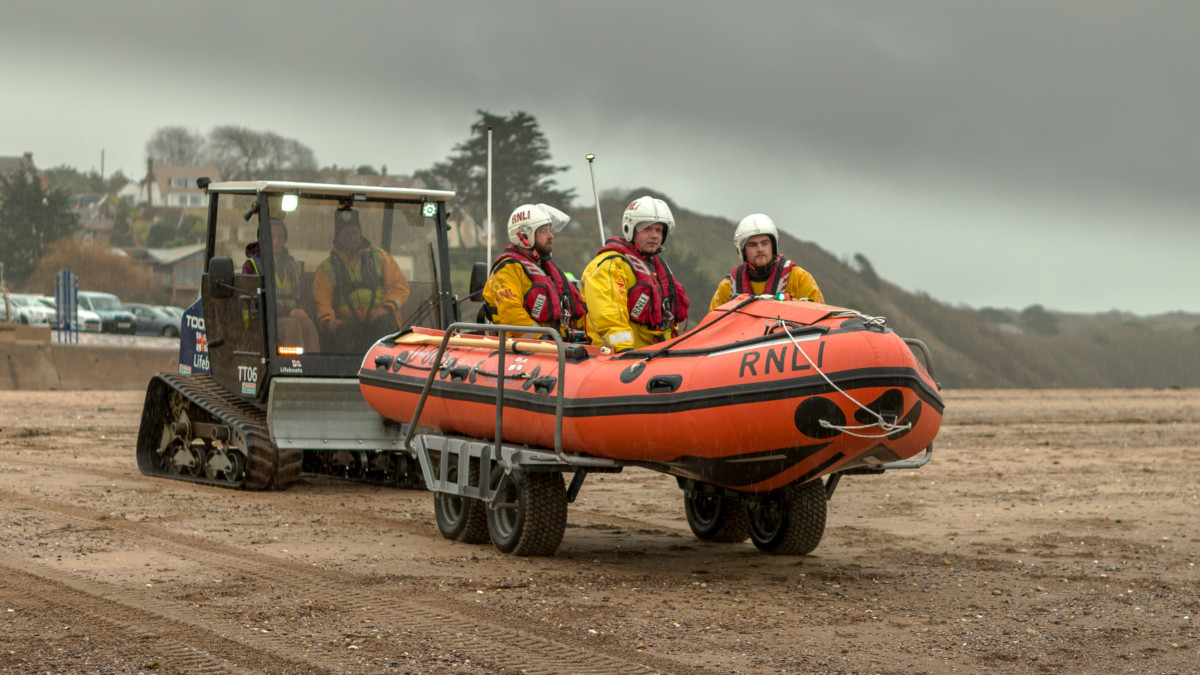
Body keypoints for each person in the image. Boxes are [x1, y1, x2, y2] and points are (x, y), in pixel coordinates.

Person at [580, 196, 689, 352]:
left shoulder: (656, 267)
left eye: (659, 230)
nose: (654, 235)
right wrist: (624, 351)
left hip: (657, 353)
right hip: (622, 358)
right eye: (647, 229)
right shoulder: (610, 266)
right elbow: (609, 316)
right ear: (629, 229)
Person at [312, 206, 410, 353]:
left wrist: (384, 309)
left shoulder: (380, 257)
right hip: (348, 324)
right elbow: (321, 298)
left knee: (387, 326)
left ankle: (387, 370)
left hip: (379, 320)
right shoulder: (327, 267)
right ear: (337, 237)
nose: (352, 237)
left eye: (355, 233)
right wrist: (327, 320)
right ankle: (346, 373)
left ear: (360, 233)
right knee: (346, 332)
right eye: (347, 234)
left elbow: (400, 286)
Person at [481, 203, 587, 339]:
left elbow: (575, 310)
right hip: (526, 351)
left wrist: (594, 326)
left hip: (558, 346)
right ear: (523, 236)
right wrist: (542, 338)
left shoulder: (546, 268)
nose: (551, 236)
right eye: (544, 231)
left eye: (550, 230)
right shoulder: (508, 270)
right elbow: (511, 315)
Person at [708, 214, 824, 311]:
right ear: (742, 251)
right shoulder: (728, 287)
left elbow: (821, 318)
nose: (760, 249)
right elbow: (711, 328)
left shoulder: (799, 279)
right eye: (752, 245)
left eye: (765, 243)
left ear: (773, 246)